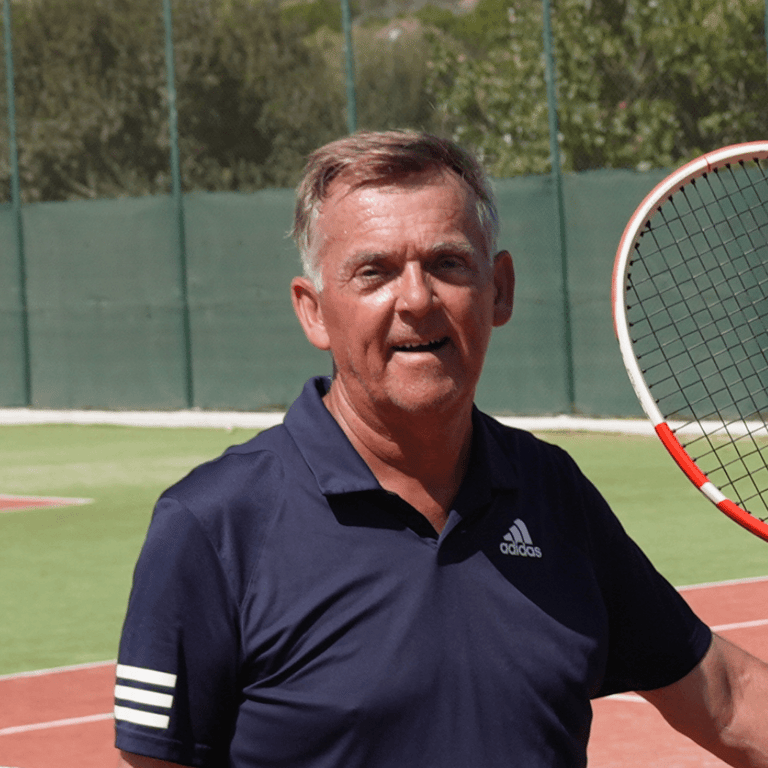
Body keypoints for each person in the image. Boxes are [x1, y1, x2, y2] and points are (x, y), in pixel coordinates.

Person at [115, 130, 768, 768]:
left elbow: (730, 701)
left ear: (499, 289)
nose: (418, 300)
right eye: (374, 272)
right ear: (313, 311)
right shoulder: (211, 526)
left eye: (448, 264)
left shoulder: (552, 492)